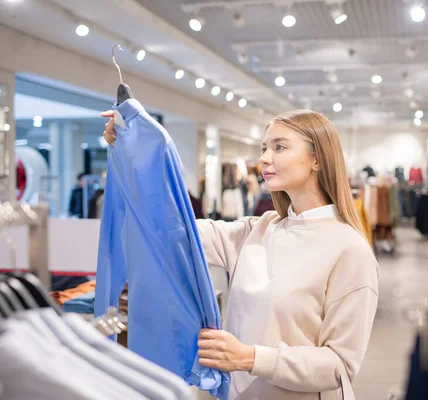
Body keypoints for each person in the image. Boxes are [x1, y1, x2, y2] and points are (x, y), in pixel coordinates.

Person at [102, 109, 380, 399]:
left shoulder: (349, 250)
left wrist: (249, 358)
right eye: (265, 148)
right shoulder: (257, 230)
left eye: (279, 147)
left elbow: (340, 366)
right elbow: (170, 228)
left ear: (317, 159)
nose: (264, 158)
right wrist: (132, 152)